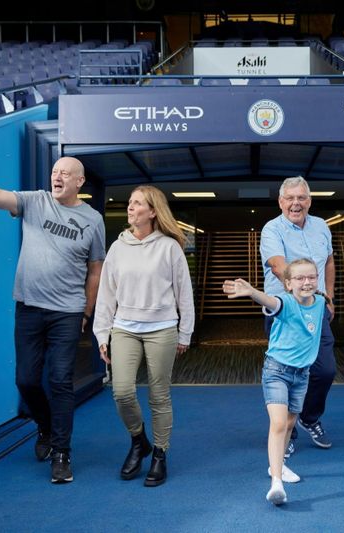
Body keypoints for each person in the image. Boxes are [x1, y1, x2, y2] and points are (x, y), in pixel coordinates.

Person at [0, 150, 105, 483]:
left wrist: (87, 311)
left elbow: (95, 270)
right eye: (55, 171)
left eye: (65, 173)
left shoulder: (93, 220)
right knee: (26, 380)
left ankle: (61, 453)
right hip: (28, 307)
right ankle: (44, 426)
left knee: (59, 380)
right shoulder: (35, 202)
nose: (57, 177)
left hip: (67, 312)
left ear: (80, 182)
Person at [92, 185, 194, 488]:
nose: (131, 208)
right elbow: (106, 294)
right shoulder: (118, 247)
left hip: (162, 328)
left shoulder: (169, 247)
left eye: (138, 204)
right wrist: (101, 334)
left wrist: (185, 332)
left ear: (153, 211)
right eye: (130, 203)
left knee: (159, 395)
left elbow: (184, 293)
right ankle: (139, 441)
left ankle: (160, 454)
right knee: (122, 392)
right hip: (124, 327)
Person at [223, 258, 326, 506]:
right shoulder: (286, 303)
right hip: (277, 372)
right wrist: (252, 292)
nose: (307, 282)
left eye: (311, 277)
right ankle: (276, 483)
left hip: (302, 375)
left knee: (290, 423)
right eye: (300, 278)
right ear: (288, 284)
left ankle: (278, 465)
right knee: (279, 423)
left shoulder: (321, 302)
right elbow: (272, 302)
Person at [260, 176, 335, 453]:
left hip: (316, 309)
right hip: (284, 312)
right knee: (289, 373)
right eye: (290, 198)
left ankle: (309, 417)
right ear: (281, 202)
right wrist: (303, 294)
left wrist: (329, 296)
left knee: (325, 370)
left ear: (309, 200)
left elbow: (328, 261)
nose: (296, 203)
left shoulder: (321, 226)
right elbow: (280, 268)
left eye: (301, 198)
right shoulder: (272, 229)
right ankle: (286, 434)